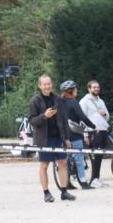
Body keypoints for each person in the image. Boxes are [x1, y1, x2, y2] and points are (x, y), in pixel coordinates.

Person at [28, 75, 76, 203]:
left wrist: (66, 138)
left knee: (63, 163)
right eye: (44, 84)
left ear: (52, 84)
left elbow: (64, 120)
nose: (47, 86)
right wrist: (45, 116)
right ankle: (46, 193)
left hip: (58, 137)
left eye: (49, 83)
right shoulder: (35, 100)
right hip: (44, 139)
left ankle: (64, 191)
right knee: (44, 165)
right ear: (40, 86)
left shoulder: (57, 99)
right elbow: (32, 120)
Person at [60, 81, 95, 190]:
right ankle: (83, 182)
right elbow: (82, 117)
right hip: (74, 134)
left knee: (64, 160)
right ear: (71, 91)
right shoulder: (73, 102)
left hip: (63, 134)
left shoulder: (60, 101)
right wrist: (93, 126)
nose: (77, 90)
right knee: (79, 158)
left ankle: (66, 182)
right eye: (75, 89)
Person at [79, 80, 110, 187]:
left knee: (99, 156)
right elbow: (81, 119)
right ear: (89, 89)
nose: (96, 89)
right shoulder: (84, 101)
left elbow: (108, 117)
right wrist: (85, 135)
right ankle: (93, 179)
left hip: (103, 131)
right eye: (94, 87)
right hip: (92, 132)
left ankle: (96, 178)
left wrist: (104, 113)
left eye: (98, 87)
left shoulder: (101, 101)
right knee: (95, 156)